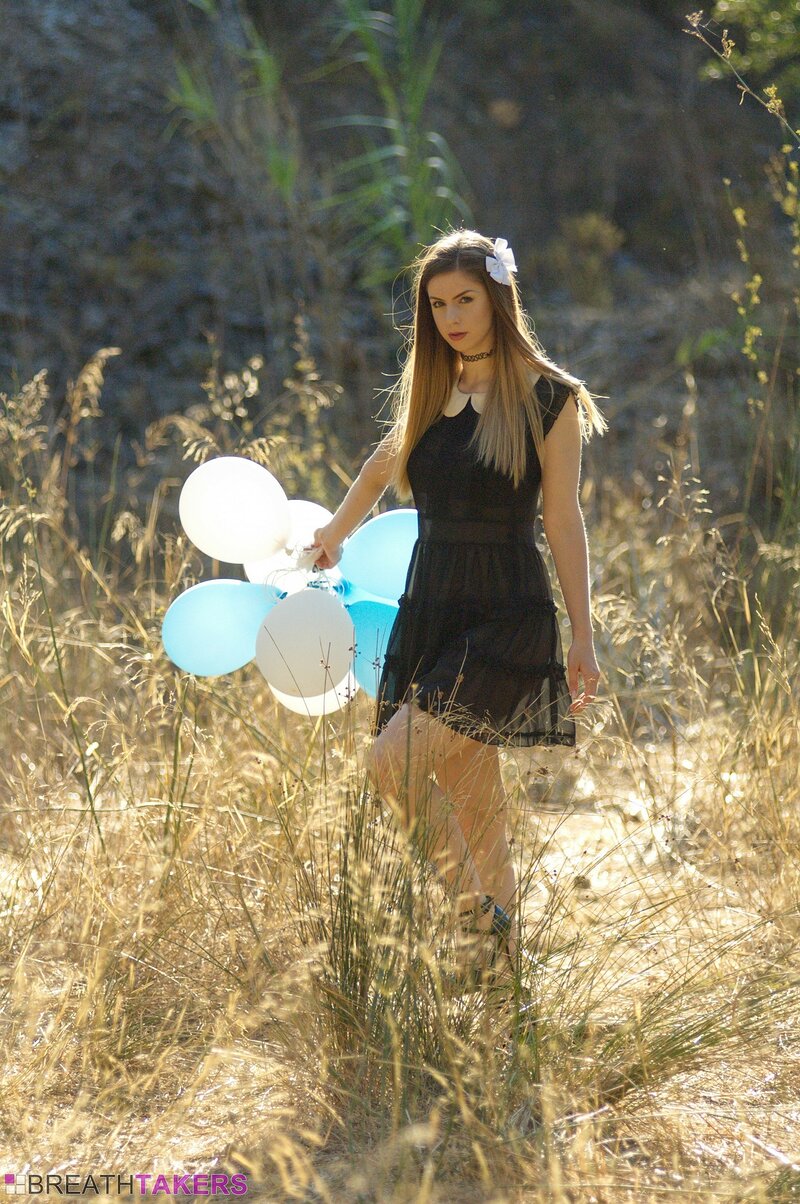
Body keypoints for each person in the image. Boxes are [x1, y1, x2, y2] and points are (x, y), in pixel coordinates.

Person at [308, 229, 606, 991]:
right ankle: (505, 991)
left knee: (390, 763)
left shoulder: (548, 397)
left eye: (465, 300)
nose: (451, 318)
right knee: (476, 808)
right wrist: (335, 533)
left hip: (506, 611)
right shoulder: (431, 389)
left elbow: (563, 518)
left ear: (499, 299)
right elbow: (379, 467)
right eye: (437, 305)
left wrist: (583, 634)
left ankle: (475, 915)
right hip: (433, 605)